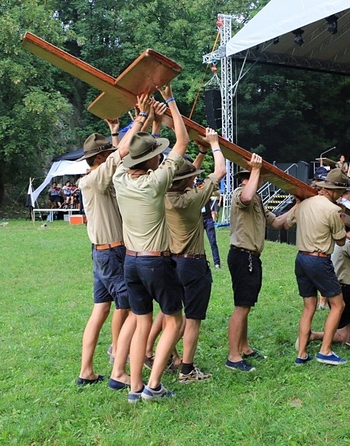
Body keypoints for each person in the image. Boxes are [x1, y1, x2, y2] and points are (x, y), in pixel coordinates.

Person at [112, 84, 188, 402]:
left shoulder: (118, 176)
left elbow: (127, 152)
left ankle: (134, 388)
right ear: (153, 162)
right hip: (156, 261)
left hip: (131, 261)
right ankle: (154, 386)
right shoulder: (156, 182)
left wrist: (144, 121)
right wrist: (170, 99)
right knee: (175, 319)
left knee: (142, 321)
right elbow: (182, 141)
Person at [75, 110, 145, 389]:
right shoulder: (96, 179)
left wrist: (115, 132)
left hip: (100, 253)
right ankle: (118, 367)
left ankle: (87, 371)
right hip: (113, 253)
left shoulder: (95, 177)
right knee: (128, 307)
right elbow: (122, 155)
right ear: (101, 158)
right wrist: (139, 118)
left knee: (100, 309)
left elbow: (118, 155)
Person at [164, 127, 226, 383]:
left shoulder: (164, 195)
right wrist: (214, 144)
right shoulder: (191, 199)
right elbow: (220, 171)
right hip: (193, 265)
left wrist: (199, 155)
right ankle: (186, 369)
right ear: (188, 182)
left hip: (171, 263)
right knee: (193, 318)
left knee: (171, 317)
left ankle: (161, 356)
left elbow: (185, 177)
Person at [226, 154, 296, 372]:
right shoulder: (242, 193)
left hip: (251, 257)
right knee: (241, 307)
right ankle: (233, 357)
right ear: (251, 177)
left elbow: (276, 223)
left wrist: (298, 204)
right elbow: (245, 198)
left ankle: (244, 347)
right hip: (242, 256)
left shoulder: (257, 199)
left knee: (246, 305)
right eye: (260, 177)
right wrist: (257, 169)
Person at [287, 168, 350, 366]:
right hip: (319, 260)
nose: (342, 196)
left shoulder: (305, 204)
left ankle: (301, 354)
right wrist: (341, 222)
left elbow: (289, 222)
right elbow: (341, 242)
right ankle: (325, 351)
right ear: (333, 191)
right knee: (338, 304)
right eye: (341, 192)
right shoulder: (333, 210)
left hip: (301, 259)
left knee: (309, 307)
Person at [201, 192, 221, 268]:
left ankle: (217, 263)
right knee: (199, 243)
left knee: (213, 242)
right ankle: (202, 262)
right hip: (199, 220)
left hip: (208, 219)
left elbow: (216, 193)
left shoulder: (207, 192)